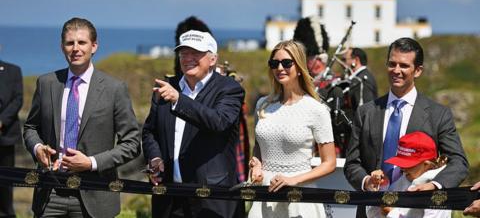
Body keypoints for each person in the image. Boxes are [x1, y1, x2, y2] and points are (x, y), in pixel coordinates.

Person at [23, 17, 141, 218]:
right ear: (62, 47)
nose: (75, 48)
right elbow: (30, 128)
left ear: (94, 46)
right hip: (50, 193)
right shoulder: (46, 83)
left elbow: (131, 143)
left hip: (95, 196)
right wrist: (38, 148)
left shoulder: (114, 89)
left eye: (82, 42)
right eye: (70, 43)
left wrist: (91, 162)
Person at [344, 37, 469, 217]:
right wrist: (366, 181)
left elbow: (459, 162)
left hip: (415, 211)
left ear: (417, 71)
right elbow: (352, 163)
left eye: (403, 66)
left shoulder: (438, 114)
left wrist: (433, 186)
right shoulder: (366, 112)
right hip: (371, 210)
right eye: (392, 64)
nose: (396, 71)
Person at [142, 30, 245, 218]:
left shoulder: (229, 89)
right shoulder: (167, 87)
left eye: (195, 53)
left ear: (213, 59)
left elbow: (218, 121)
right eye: (183, 53)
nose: (188, 58)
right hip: (170, 198)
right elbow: (150, 132)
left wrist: (178, 100)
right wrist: (155, 158)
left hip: (212, 198)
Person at [248, 40, 336, 218]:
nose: (280, 68)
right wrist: (256, 164)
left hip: (299, 195)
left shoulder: (316, 109)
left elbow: (329, 163)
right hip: (265, 194)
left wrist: (293, 180)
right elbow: (259, 147)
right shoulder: (262, 105)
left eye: (286, 63)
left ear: (299, 66)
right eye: (274, 63)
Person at [365, 131, 451, 218]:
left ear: (426, 165)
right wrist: (380, 188)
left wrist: (391, 213)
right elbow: (374, 215)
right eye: (400, 164)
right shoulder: (403, 179)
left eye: (408, 165)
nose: (403, 169)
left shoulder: (436, 190)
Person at [0, 54, 23, 218]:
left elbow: (18, 99)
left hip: (6, 135)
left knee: (6, 180)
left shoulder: (13, 70)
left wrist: (1, 121)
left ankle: (7, 214)